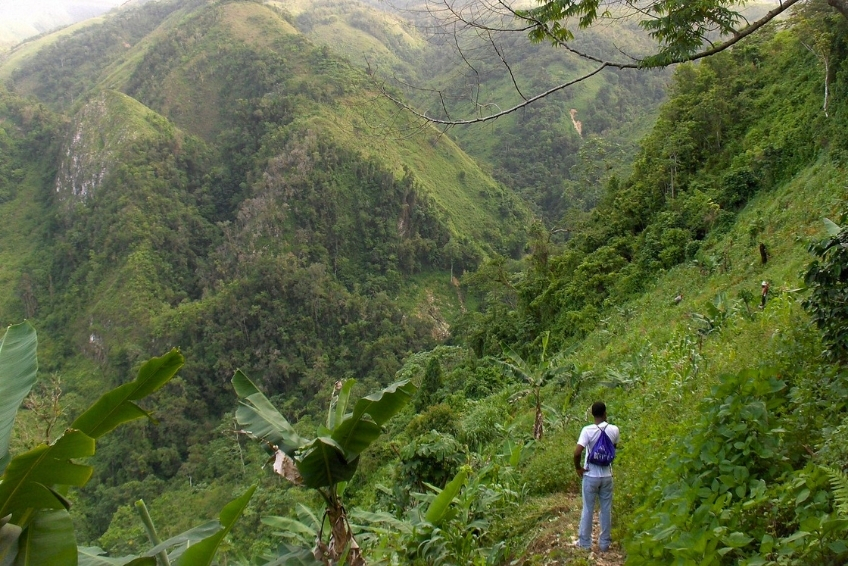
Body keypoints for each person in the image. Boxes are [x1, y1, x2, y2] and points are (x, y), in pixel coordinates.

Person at [574, 401, 620, 552]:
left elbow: (577, 452)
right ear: (605, 413)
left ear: (593, 415)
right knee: (606, 508)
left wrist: (578, 468)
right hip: (607, 475)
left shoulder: (587, 430)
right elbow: (613, 449)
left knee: (588, 508)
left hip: (590, 475)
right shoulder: (614, 430)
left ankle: (585, 544)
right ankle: (604, 543)